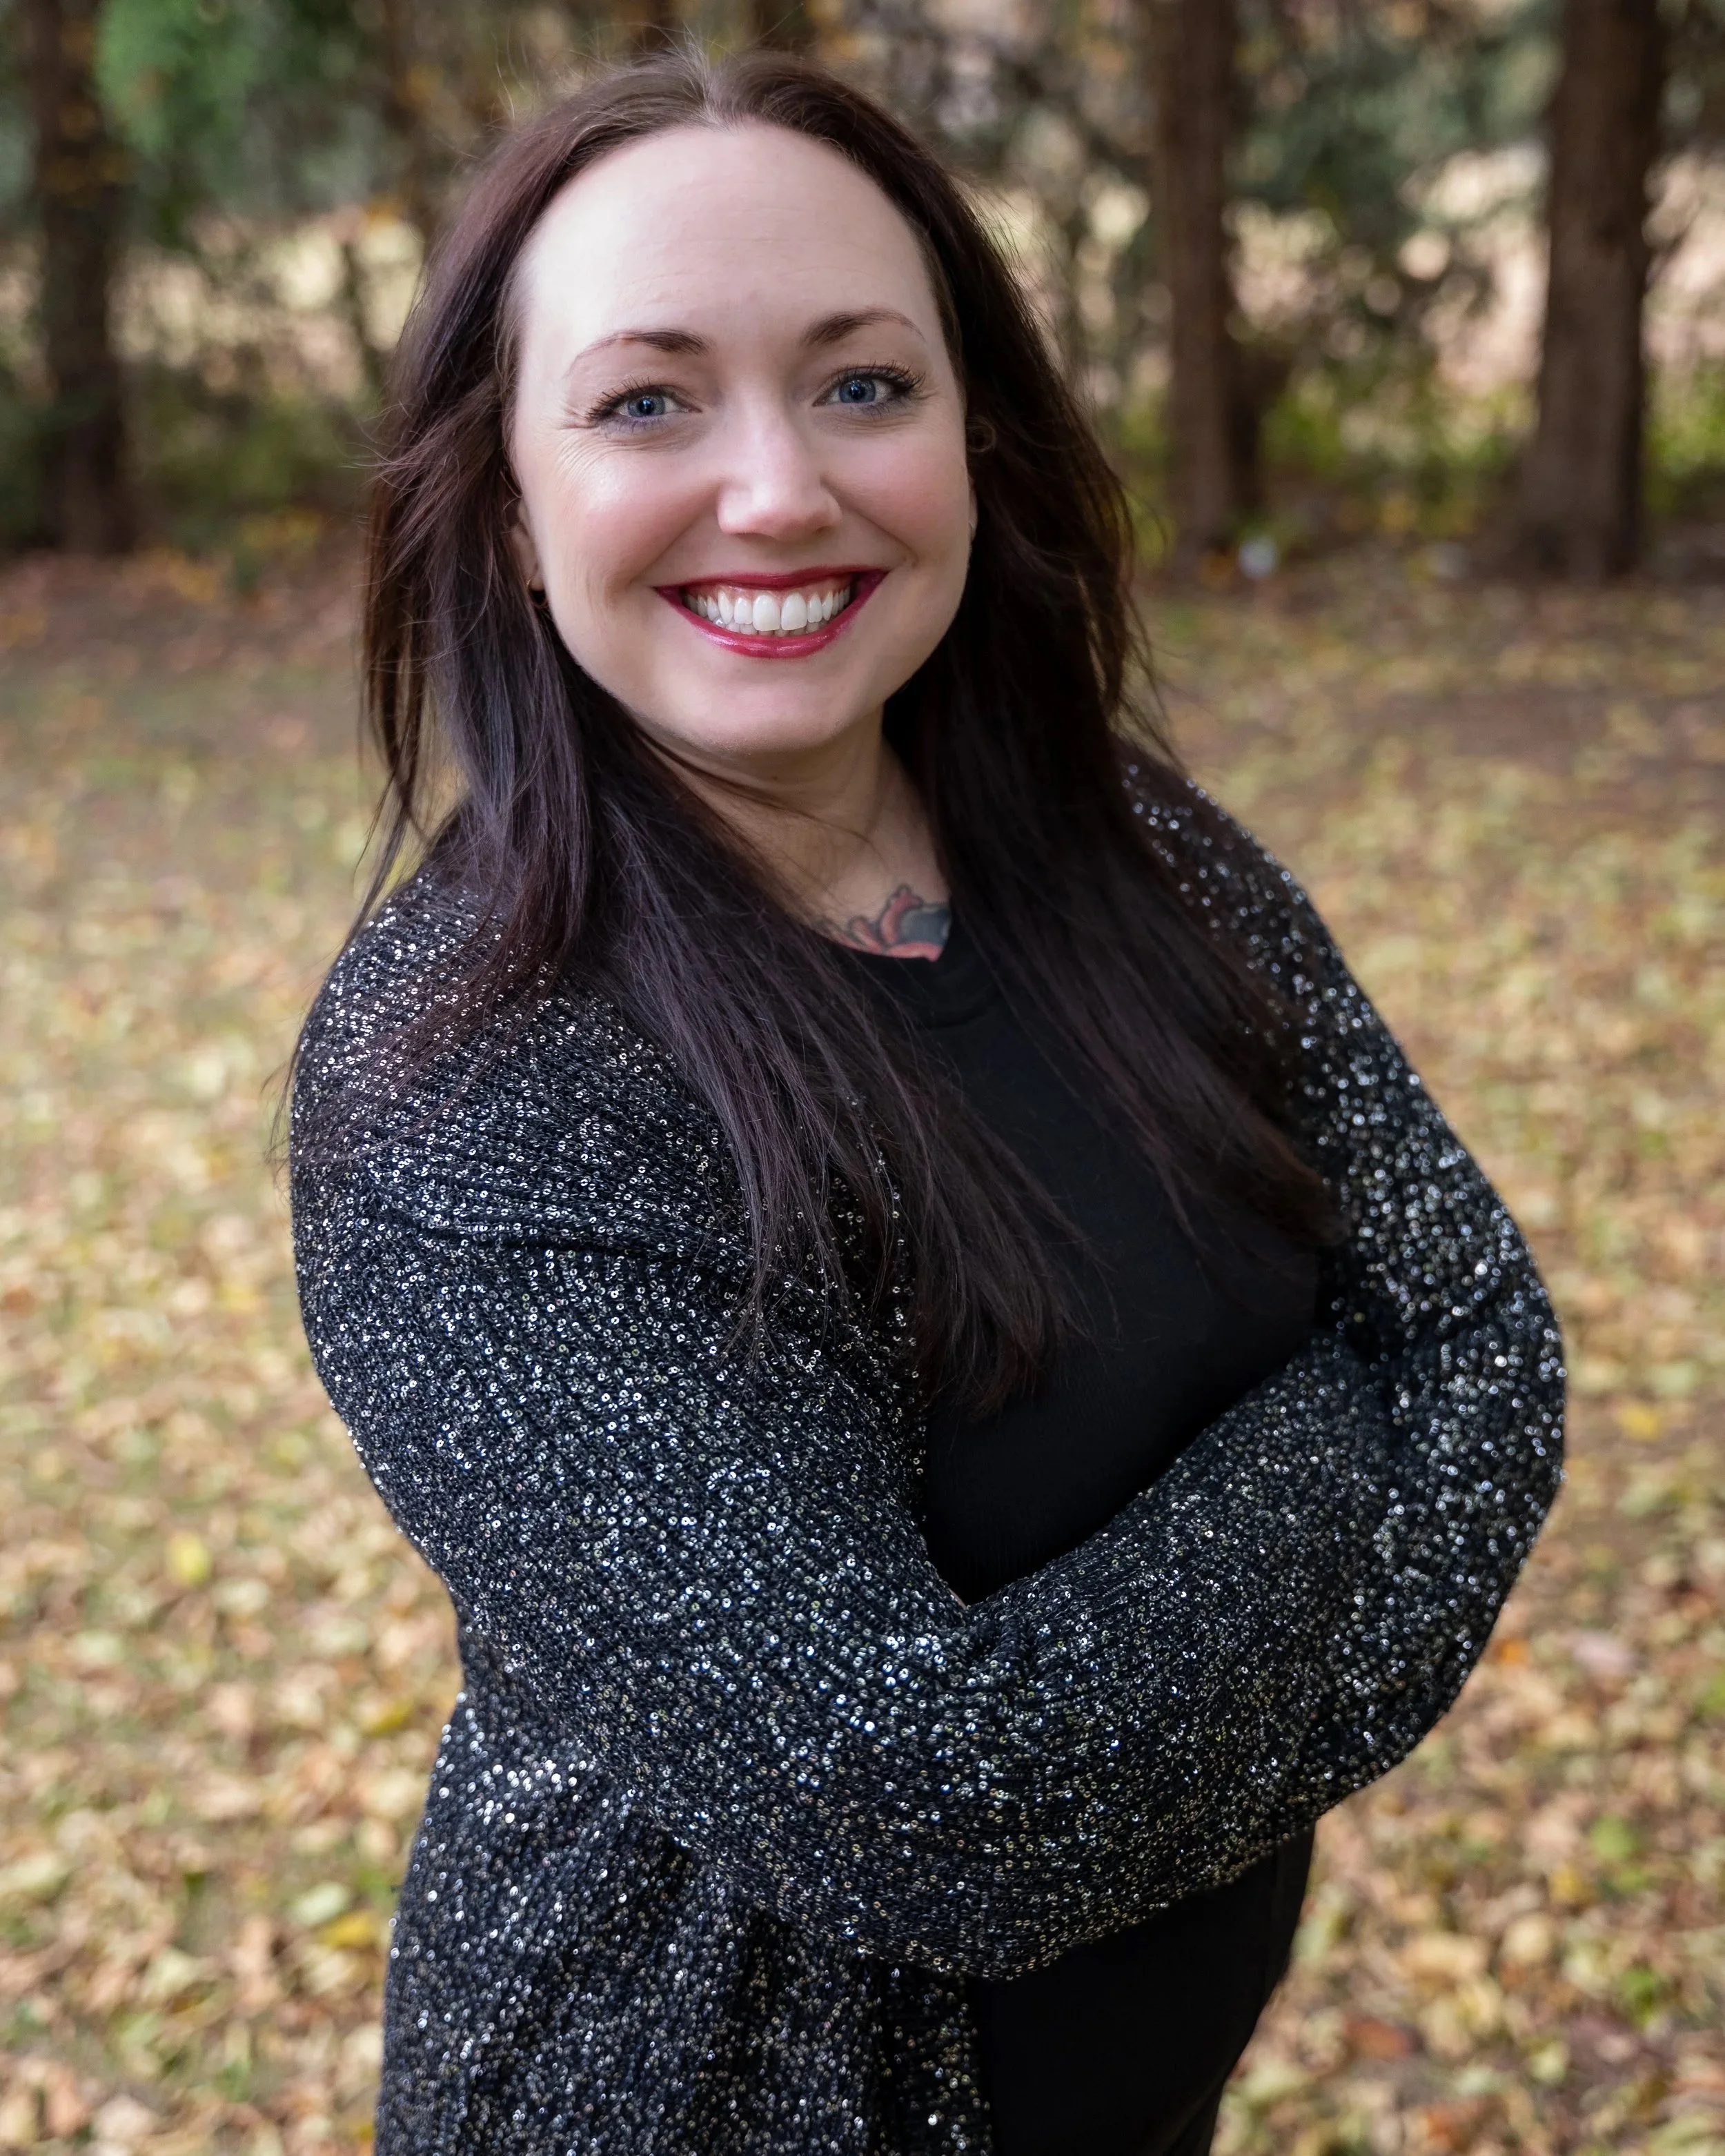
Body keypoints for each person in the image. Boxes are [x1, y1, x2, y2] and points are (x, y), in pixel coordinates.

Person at [289, 49, 1564, 2156]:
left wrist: (1119, 1727)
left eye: (861, 383)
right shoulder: (473, 1085)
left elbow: (1493, 1348)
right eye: (647, 402)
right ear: (506, 506)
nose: (778, 489)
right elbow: (931, 1813)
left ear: (972, 435)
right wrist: (1354, 1431)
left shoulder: (1127, 849)